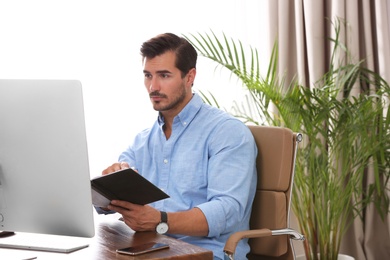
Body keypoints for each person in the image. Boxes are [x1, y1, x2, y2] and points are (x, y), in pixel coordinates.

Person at [98, 32, 257, 259]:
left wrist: (161, 220)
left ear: (189, 76)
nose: (153, 86)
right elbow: (107, 201)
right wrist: (107, 189)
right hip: (150, 249)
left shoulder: (227, 133)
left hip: (207, 253)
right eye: (147, 75)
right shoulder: (142, 140)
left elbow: (227, 211)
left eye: (164, 75)